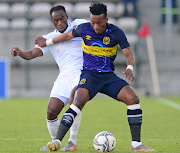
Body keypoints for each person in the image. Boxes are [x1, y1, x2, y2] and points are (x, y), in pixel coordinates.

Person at [35, 3, 156, 152]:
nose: (96, 26)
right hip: (89, 75)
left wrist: (129, 67)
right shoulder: (84, 28)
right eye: (93, 22)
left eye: (99, 23)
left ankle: (136, 145)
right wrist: (46, 42)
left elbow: (129, 55)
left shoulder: (116, 32)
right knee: (77, 101)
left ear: (106, 19)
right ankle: (57, 142)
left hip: (108, 77)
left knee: (133, 100)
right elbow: (66, 36)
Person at [11, 5, 88, 151]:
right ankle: (55, 142)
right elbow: (32, 54)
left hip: (82, 72)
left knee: (74, 99)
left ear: (67, 17)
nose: (60, 22)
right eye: (56, 20)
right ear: (52, 21)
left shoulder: (78, 24)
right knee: (51, 111)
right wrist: (20, 52)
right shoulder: (48, 38)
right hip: (64, 75)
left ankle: (72, 142)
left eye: (62, 18)